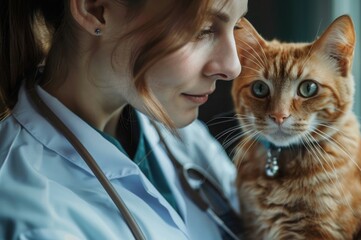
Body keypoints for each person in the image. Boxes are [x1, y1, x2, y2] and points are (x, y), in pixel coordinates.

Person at [0, 0, 248, 239]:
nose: (233, 67)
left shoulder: (181, 136)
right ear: (95, 9)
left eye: (236, 25)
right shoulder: (34, 221)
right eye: (203, 29)